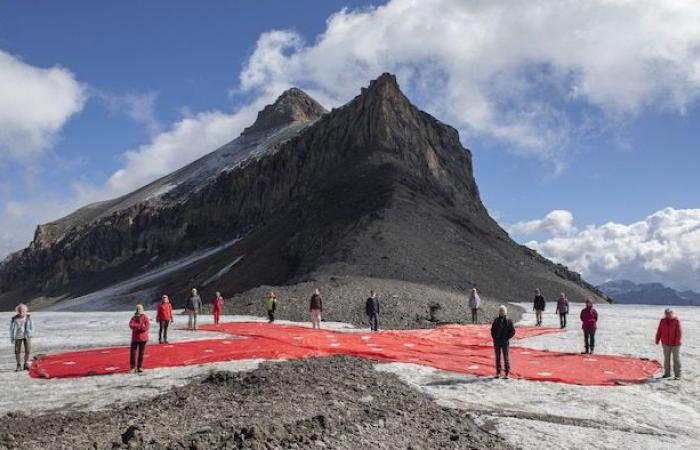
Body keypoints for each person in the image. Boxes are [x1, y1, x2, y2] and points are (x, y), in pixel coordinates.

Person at [655, 308, 682, 379]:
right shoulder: (662, 321)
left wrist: (676, 342)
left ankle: (677, 375)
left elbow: (679, 333)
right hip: (665, 343)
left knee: (676, 359)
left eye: (669, 313)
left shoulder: (676, 321)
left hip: (675, 344)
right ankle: (667, 374)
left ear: (672, 313)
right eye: (666, 313)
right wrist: (657, 339)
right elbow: (659, 330)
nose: (668, 315)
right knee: (666, 359)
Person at [491, 305, 516, 379]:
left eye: (502, 311)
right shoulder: (496, 320)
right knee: (497, 357)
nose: (501, 312)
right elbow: (492, 330)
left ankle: (507, 373)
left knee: (506, 357)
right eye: (500, 311)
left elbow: (513, 331)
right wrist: (495, 338)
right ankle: (498, 372)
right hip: (497, 342)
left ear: (505, 312)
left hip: (505, 342)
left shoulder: (509, 321)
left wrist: (507, 337)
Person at [9, 303, 33, 371]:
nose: (21, 312)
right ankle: (18, 365)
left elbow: (32, 326)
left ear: (25, 311)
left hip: (27, 336)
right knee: (17, 351)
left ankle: (26, 364)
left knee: (28, 350)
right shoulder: (14, 319)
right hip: (17, 336)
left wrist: (31, 333)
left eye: (22, 310)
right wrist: (12, 337)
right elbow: (11, 329)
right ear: (17, 311)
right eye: (19, 310)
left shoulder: (28, 317)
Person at [129, 304, 150, 373]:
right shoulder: (134, 317)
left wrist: (139, 327)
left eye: (140, 309)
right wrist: (139, 326)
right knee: (133, 353)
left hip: (143, 338)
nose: (139, 310)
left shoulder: (145, 317)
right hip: (135, 338)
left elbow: (146, 327)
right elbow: (131, 325)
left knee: (141, 354)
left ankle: (139, 367)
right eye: (138, 309)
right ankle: (132, 367)